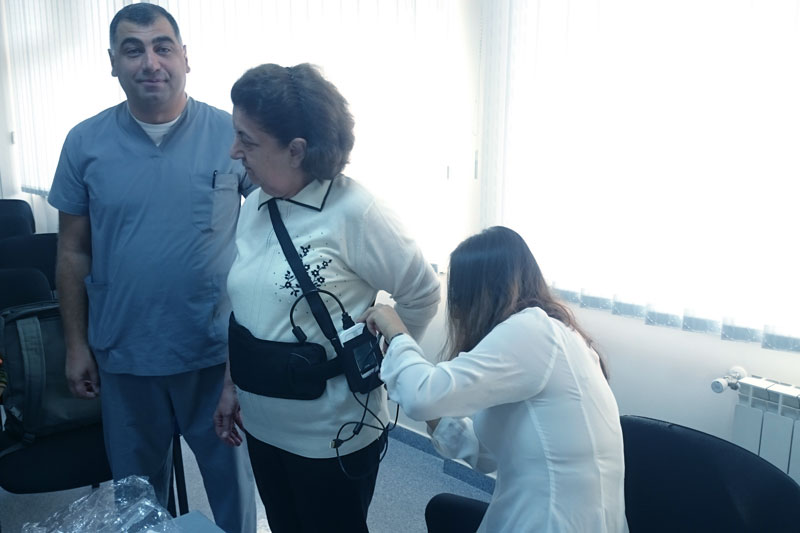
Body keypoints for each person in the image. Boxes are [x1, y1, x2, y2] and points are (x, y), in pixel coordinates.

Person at [48, 4, 256, 532]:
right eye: (133, 50)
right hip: (126, 353)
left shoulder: (232, 136)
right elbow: (72, 251)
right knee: (137, 500)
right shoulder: (85, 142)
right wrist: (76, 344)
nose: (150, 62)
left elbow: (276, 229)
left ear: (185, 57)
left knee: (232, 489)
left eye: (163, 47)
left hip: (214, 354)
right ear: (112, 62)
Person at [213, 62, 441, 533]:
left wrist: (383, 362)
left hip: (332, 437)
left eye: (247, 141)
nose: (234, 151)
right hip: (263, 427)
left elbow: (421, 293)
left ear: (296, 150)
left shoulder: (355, 212)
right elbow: (248, 312)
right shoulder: (256, 206)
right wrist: (232, 386)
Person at [361, 226, 627, 533]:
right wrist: (405, 381)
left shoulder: (533, 331)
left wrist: (396, 332)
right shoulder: (551, 337)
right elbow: (486, 452)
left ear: (473, 295)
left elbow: (422, 397)